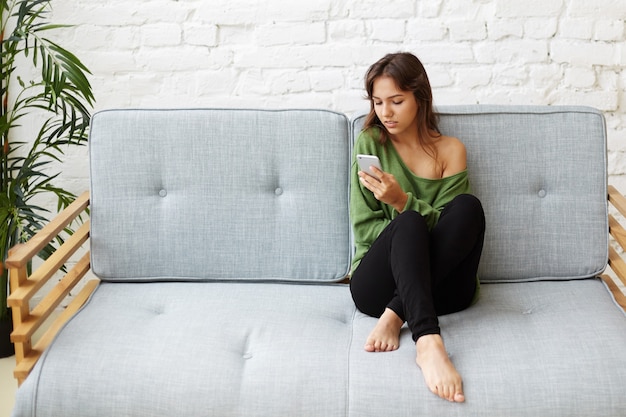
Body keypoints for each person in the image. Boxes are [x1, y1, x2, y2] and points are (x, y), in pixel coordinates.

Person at [349, 52, 485, 403]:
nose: (386, 112)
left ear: (420, 98)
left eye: (396, 101)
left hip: (446, 289)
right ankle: (427, 342)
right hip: (376, 285)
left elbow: (457, 232)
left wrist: (400, 199)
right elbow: (364, 229)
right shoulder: (370, 144)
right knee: (408, 222)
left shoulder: (451, 150)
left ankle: (397, 314)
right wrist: (403, 211)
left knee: (468, 207)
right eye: (378, 102)